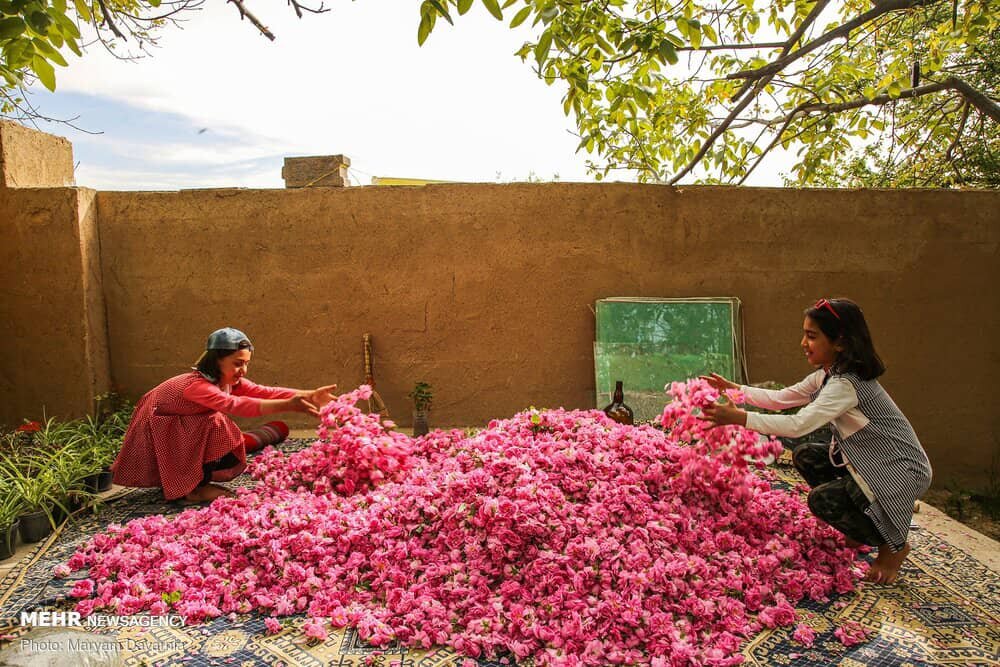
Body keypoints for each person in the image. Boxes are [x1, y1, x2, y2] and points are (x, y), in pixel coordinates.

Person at [700, 298, 932, 584]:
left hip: (899, 470)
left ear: (840, 342)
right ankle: (860, 524)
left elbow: (798, 425)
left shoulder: (846, 384)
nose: (803, 343)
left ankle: (892, 546)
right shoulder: (828, 375)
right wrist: (737, 390)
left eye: (812, 336)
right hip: (870, 461)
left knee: (821, 501)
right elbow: (782, 399)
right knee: (806, 455)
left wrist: (740, 418)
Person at [112, 328, 337, 503]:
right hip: (161, 426)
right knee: (218, 423)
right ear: (217, 360)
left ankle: (190, 481)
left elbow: (263, 391)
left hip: (183, 424)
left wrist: (309, 395)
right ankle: (192, 491)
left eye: (246, 364)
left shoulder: (224, 380)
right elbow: (235, 405)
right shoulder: (197, 386)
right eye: (237, 364)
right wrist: (290, 405)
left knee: (218, 425)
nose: (243, 371)